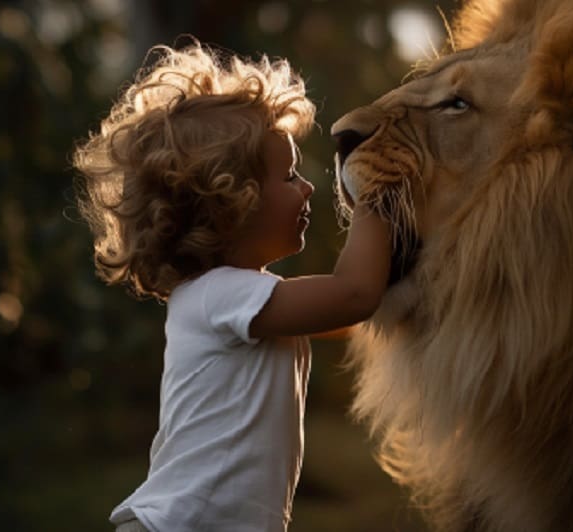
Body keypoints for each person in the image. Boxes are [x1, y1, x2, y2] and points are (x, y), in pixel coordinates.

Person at [72, 41, 392, 532]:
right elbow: (353, 296)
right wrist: (378, 187)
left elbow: (352, 316)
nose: (307, 187)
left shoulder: (238, 299)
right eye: (289, 176)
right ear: (232, 201)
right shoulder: (220, 297)